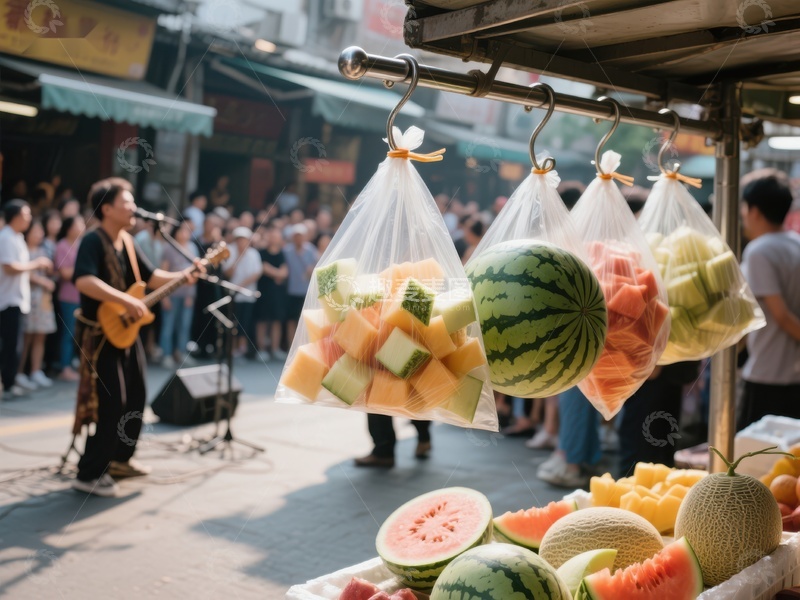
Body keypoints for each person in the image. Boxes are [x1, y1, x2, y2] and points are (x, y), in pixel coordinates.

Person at [71, 178, 202, 497]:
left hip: (126, 334)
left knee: (136, 396)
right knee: (111, 402)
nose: (133, 207)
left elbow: (152, 277)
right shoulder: (93, 240)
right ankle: (88, 473)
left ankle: (119, 460)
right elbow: (83, 281)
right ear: (107, 208)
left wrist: (184, 276)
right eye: (126, 202)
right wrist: (125, 300)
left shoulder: (128, 242)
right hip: (100, 336)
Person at [738, 168, 800, 428]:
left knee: (752, 459)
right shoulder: (795, 243)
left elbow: (782, 315)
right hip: (793, 377)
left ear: (753, 210)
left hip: (768, 374)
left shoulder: (759, 250)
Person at [0, 200, 53, 399]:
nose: (29, 218)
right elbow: (9, 266)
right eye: (26, 214)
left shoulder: (16, 237)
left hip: (17, 298)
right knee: (10, 344)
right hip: (7, 299)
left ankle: (10, 382)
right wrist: (35, 264)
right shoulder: (5, 237)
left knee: (14, 344)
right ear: (16, 216)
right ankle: (8, 385)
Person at [17, 219, 57, 390]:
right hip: (27, 297)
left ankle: (35, 370)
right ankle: (19, 372)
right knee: (25, 338)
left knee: (40, 335)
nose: (39, 233)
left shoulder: (44, 250)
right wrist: (43, 281)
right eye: (36, 230)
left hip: (42, 300)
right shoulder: (23, 249)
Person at [159, 221, 199, 368]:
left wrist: (190, 295)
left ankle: (181, 353)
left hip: (187, 295)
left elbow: (196, 274)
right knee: (168, 326)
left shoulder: (193, 248)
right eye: (181, 230)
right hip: (171, 294)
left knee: (184, 325)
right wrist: (165, 296)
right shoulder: (168, 248)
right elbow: (163, 272)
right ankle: (167, 354)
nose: (184, 233)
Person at [223, 227, 263, 358]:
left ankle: (242, 347)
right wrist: (238, 258)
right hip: (233, 296)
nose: (242, 242)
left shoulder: (254, 254)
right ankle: (232, 348)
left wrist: (241, 286)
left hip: (248, 295)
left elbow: (257, 273)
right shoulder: (231, 252)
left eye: (244, 240)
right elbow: (227, 273)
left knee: (245, 322)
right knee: (233, 322)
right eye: (239, 240)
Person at [54, 215, 85, 381]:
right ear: (69, 227)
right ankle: (64, 367)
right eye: (78, 223)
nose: (82, 226)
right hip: (68, 296)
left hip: (80, 296)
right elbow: (64, 272)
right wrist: (85, 271)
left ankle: (71, 363)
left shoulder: (80, 245)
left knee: (76, 333)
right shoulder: (62, 246)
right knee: (68, 333)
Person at [257, 224, 288, 360]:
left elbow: (285, 272)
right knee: (262, 320)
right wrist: (278, 274)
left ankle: (275, 349)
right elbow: (264, 268)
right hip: (263, 292)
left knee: (277, 321)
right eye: (272, 236)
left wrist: (275, 273)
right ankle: (261, 349)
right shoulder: (261, 253)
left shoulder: (282, 254)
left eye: (277, 236)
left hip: (278, 294)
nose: (274, 238)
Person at [283, 223, 318, 344]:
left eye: (301, 235)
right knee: (291, 320)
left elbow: (317, 267)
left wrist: (311, 269)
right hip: (291, 290)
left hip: (306, 291)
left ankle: (304, 344)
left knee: (305, 320)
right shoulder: (286, 251)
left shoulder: (311, 250)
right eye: (296, 235)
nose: (298, 238)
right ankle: (290, 345)